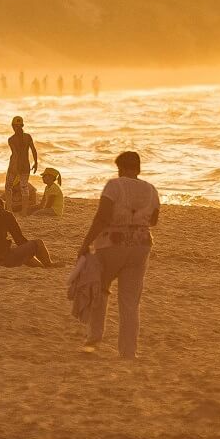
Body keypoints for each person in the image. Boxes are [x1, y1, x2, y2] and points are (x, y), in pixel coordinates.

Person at [77, 150, 160, 359]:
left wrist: (85, 243)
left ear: (120, 168)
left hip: (112, 243)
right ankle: (128, 351)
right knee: (130, 301)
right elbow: (154, 221)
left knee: (100, 287)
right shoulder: (151, 190)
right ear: (138, 168)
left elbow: (102, 217)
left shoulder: (114, 185)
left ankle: (94, 337)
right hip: (141, 244)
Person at [4, 116, 39, 202]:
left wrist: (15, 168)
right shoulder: (28, 137)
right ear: (22, 125)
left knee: (8, 187)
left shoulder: (11, 139)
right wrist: (35, 162)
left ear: (12, 126)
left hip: (14, 165)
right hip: (26, 165)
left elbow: (15, 155)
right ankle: (24, 211)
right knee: (24, 188)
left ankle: (9, 208)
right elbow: (33, 150)